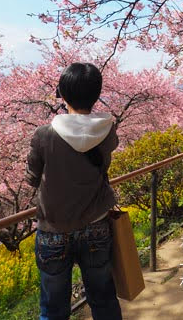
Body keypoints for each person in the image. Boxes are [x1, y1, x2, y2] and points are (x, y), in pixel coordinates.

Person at [25, 63, 123, 320]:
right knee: (103, 298)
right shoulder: (108, 131)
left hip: (54, 231)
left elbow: (32, 178)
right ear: (96, 94)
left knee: (54, 309)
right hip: (96, 226)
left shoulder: (44, 135)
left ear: (63, 95)